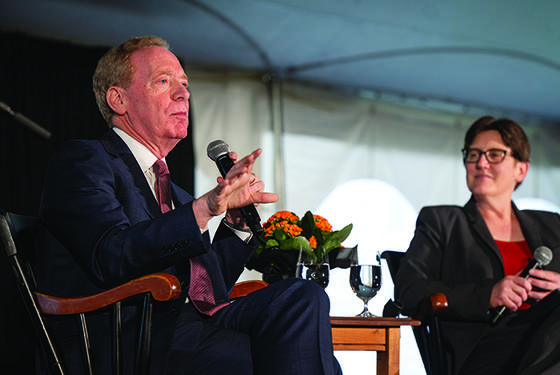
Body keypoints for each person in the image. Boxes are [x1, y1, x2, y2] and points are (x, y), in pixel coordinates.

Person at [35, 36, 342, 375]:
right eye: (163, 81)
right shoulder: (85, 160)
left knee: (302, 296)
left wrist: (235, 225)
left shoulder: (175, 194)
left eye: (184, 83)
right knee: (299, 360)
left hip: (192, 324)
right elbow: (111, 254)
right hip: (132, 336)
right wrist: (203, 209)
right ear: (118, 99)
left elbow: (206, 290)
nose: (183, 94)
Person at [394, 116, 560, 375]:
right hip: (483, 349)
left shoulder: (551, 226)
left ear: (521, 169)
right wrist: (487, 295)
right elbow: (408, 289)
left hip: (554, 339)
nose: (481, 162)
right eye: (473, 154)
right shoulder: (442, 221)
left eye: (495, 154)